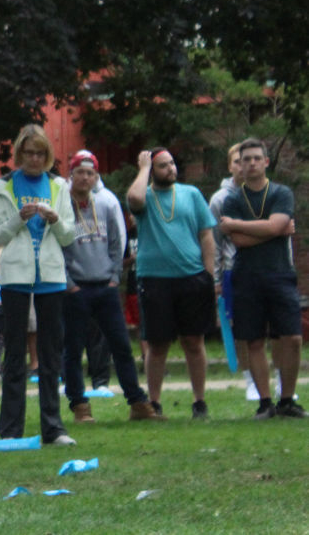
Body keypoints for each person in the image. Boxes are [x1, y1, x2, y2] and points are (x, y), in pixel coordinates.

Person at [0, 124, 76, 445]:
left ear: (48, 156)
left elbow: (69, 236)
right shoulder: (3, 187)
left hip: (51, 277)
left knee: (50, 354)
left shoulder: (59, 187)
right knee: (14, 353)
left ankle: (53, 428)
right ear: (19, 154)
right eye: (29, 153)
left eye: (41, 153)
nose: (35, 159)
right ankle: (11, 430)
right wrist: (19, 217)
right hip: (15, 278)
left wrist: (55, 220)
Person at [61, 150, 156, 423]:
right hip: (75, 288)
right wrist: (68, 283)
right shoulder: (61, 204)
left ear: (96, 176)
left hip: (105, 286)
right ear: (72, 174)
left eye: (90, 173)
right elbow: (54, 245)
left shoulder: (106, 202)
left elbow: (118, 239)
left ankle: (137, 402)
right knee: (73, 348)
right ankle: (79, 404)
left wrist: (115, 276)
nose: (85, 177)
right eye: (80, 172)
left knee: (121, 345)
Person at [218, 138, 305, 419]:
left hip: (280, 273)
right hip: (246, 276)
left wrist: (239, 225)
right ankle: (265, 403)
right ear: (239, 165)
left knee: (291, 337)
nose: (252, 163)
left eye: (257, 158)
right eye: (246, 159)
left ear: (266, 162)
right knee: (253, 340)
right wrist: (272, 230)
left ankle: (287, 399)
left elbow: (277, 224)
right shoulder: (232, 199)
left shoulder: (281, 193)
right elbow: (240, 241)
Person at [126, 148, 216, 420]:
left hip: (192, 278)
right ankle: (154, 402)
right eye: (163, 166)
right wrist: (143, 168)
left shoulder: (191, 194)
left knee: (193, 341)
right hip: (154, 280)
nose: (171, 169)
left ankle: (199, 401)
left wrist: (209, 274)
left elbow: (206, 234)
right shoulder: (145, 197)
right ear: (152, 171)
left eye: (173, 164)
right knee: (158, 343)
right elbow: (134, 198)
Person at [209, 142, 261, 401]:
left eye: (248, 160)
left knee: (269, 327)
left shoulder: (265, 193)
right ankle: (250, 378)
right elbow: (215, 242)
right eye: (238, 161)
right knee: (240, 327)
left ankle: (275, 378)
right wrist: (216, 279)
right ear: (230, 166)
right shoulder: (220, 200)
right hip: (232, 270)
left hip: (264, 268)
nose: (244, 166)